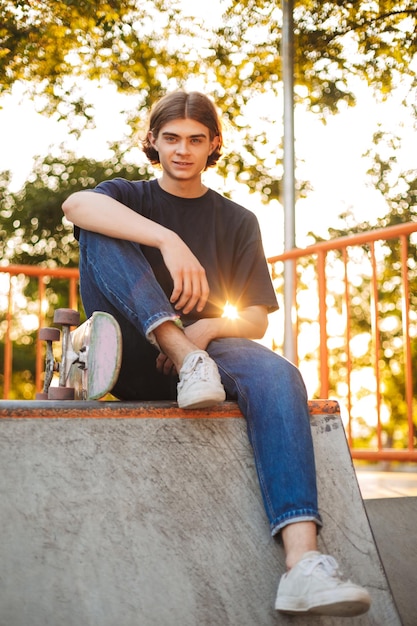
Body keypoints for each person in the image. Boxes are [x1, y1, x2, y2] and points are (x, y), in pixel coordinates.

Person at [62, 90, 371, 617]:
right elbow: (75, 205)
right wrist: (167, 241)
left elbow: (253, 317)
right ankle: (180, 352)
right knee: (99, 224)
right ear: (153, 142)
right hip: (134, 354)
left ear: (214, 145)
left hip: (210, 358)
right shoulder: (129, 196)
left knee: (280, 376)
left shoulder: (237, 220)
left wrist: (205, 331)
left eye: (196, 139)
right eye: (172, 139)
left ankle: (303, 565)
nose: (183, 150)